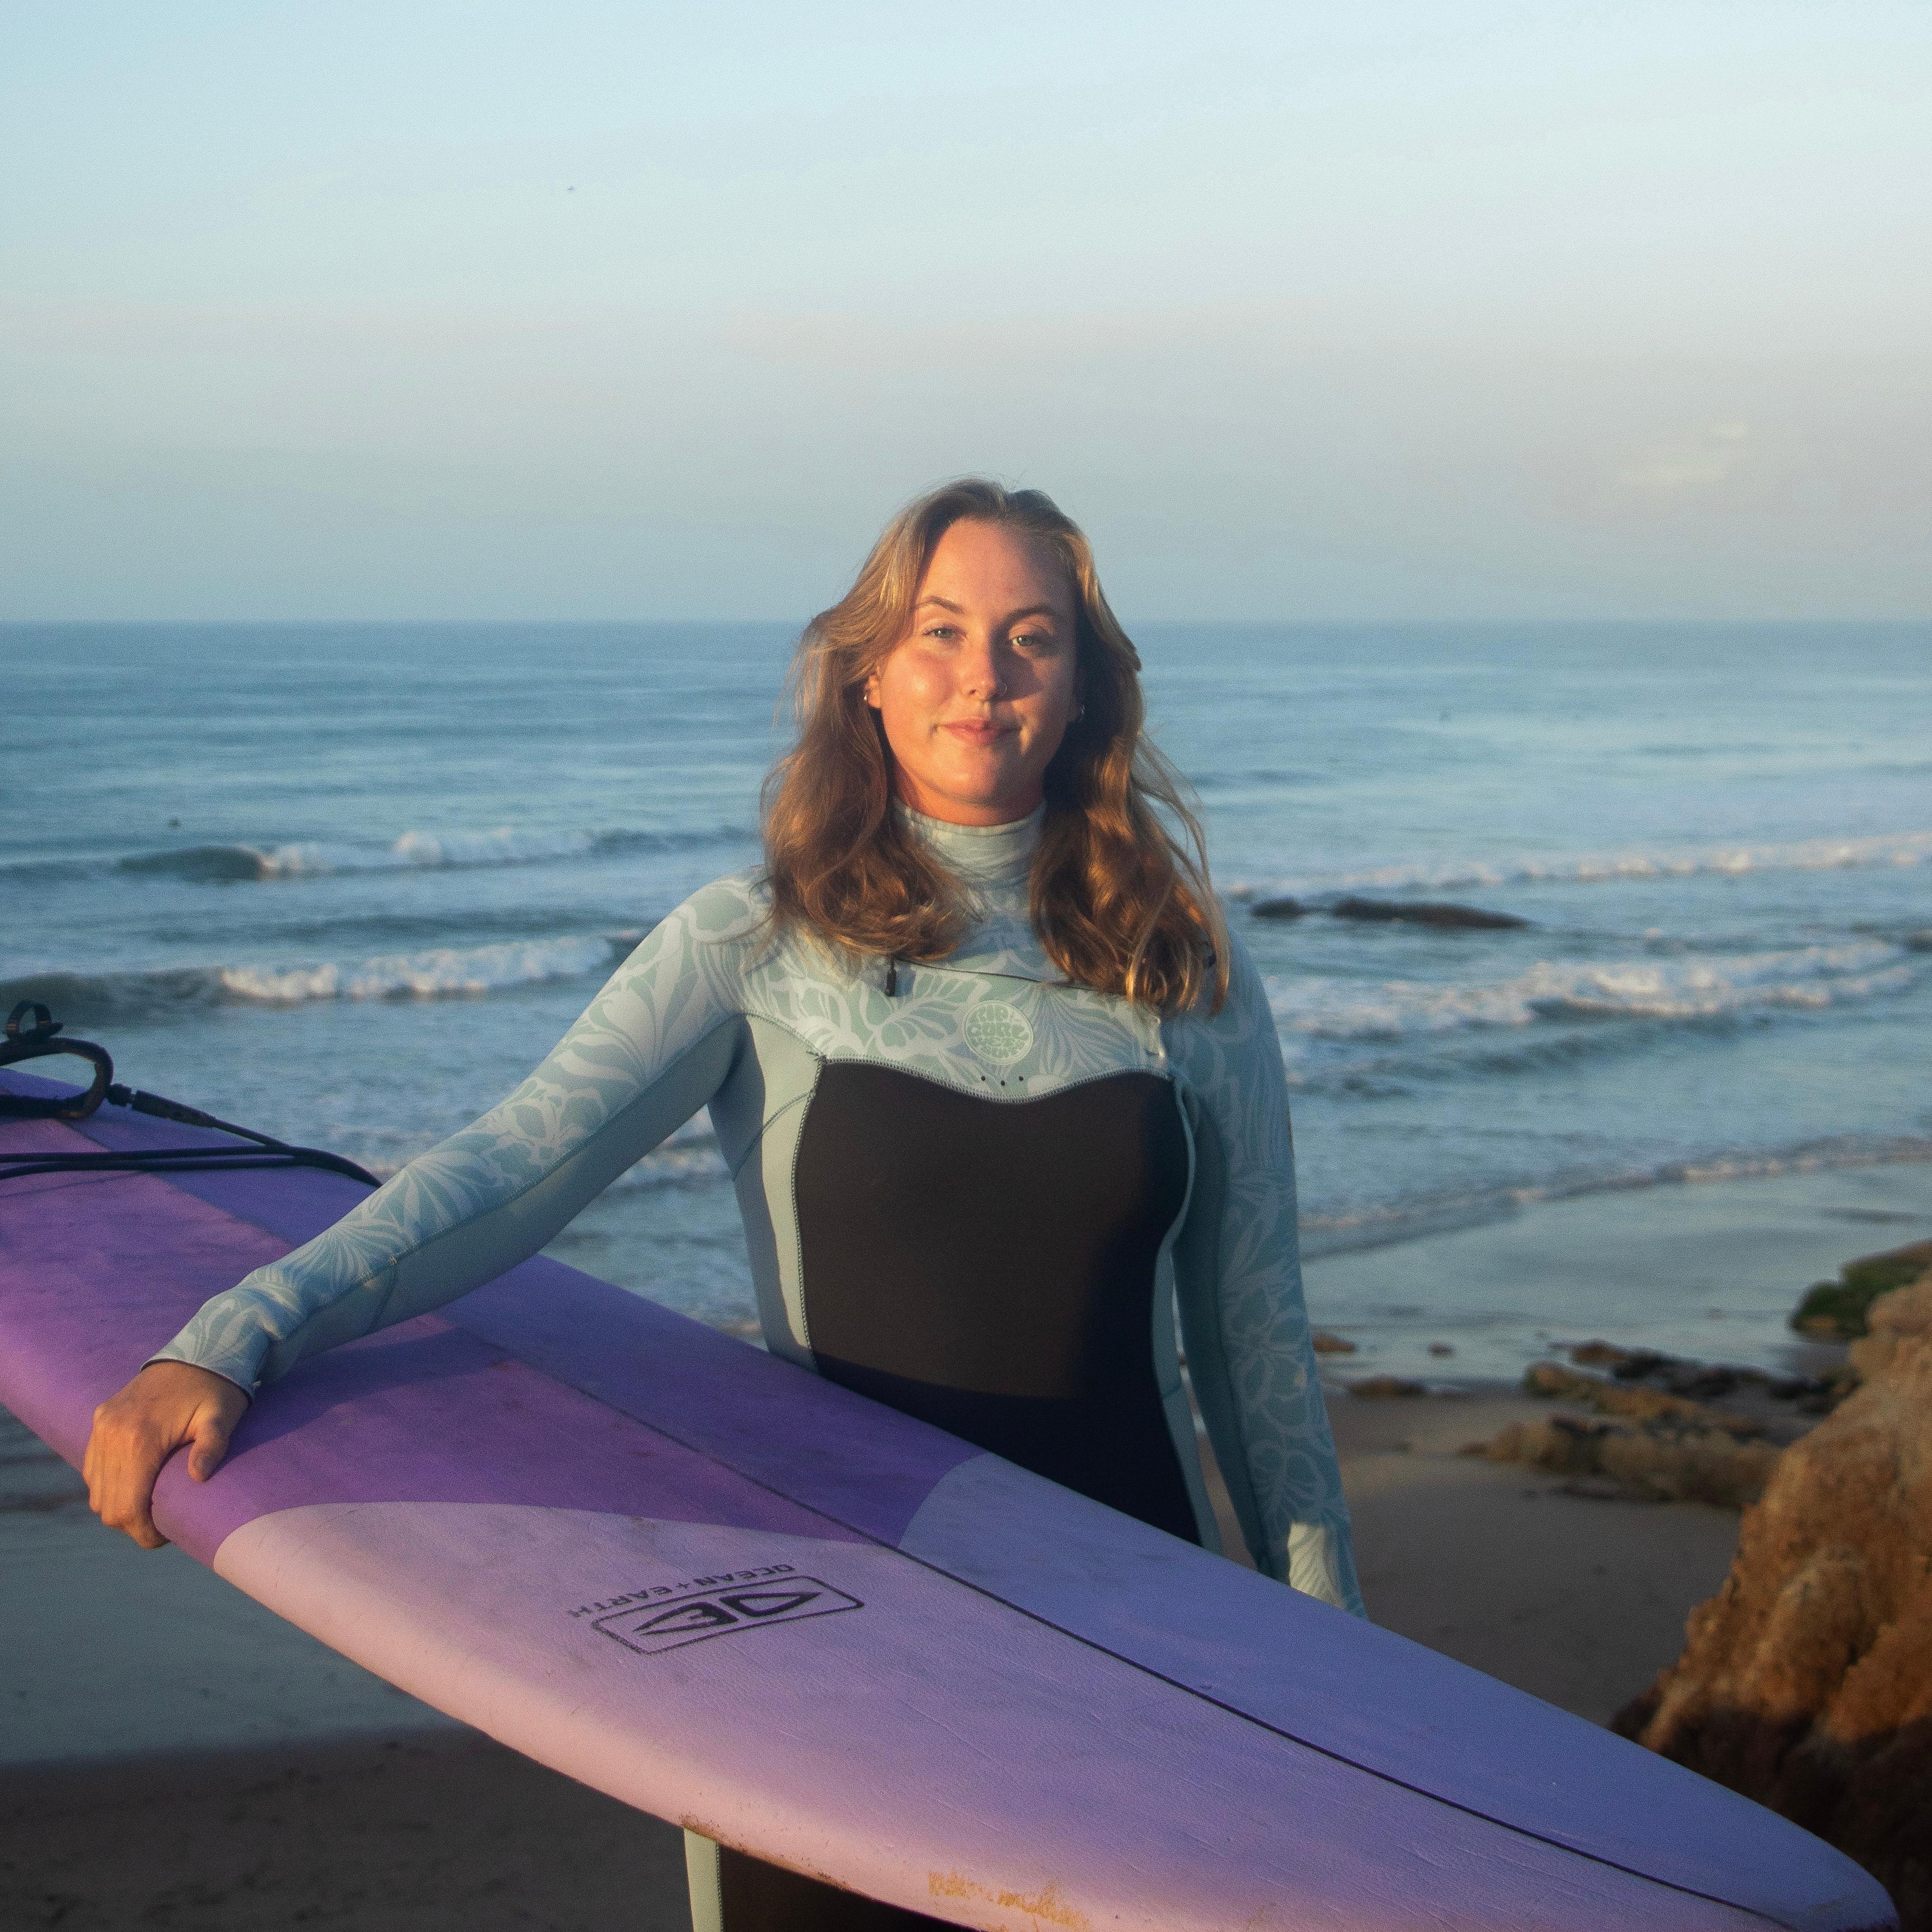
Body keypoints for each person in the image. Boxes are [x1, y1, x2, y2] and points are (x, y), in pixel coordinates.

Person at [85, 478, 1363, 1930]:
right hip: (838, 1668)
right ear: (870, 670)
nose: (984, 676)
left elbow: (1258, 1359)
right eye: (941, 629)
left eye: (1032, 637)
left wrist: (1355, 1684)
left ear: (1082, 687)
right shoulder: (751, 943)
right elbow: (510, 1170)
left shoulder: (1179, 972)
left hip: (1141, 1646)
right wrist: (234, 1333)